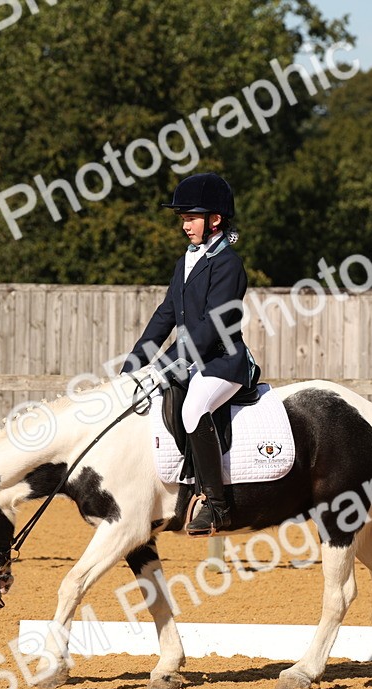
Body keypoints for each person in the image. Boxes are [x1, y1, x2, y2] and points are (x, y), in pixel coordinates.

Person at [122, 172, 259, 535]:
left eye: (190, 218)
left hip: (222, 362)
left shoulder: (229, 264)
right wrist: (134, 364)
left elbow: (211, 328)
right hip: (190, 360)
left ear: (214, 219)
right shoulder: (187, 260)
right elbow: (166, 313)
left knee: (194, 409)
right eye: (182, 219)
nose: (185, 226)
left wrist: (166, 364)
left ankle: (217, 506)